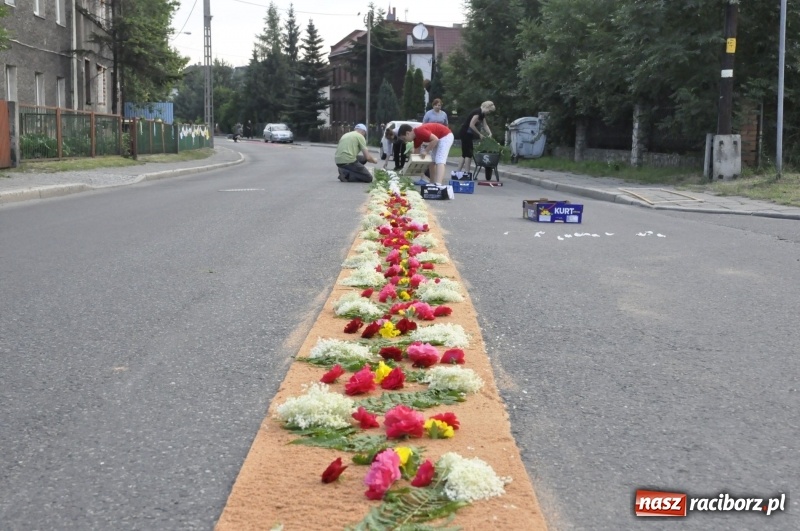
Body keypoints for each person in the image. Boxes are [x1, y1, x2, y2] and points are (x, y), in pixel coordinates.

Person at [397, 122, 454, 187]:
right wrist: (409, 167)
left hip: (445, 136)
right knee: (432, 161)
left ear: (407, 133)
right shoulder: (416, 138)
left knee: (440, 160)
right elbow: (416, 154)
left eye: (404, 138)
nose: (405, 141)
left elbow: (435, 139)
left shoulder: (419, 131)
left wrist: (426, 151)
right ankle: (432, 182)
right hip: (439, 138)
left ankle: (438, 184)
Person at [457, 101, 495, 174]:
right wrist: (479, 134)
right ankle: (467, 172)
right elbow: (471, 125)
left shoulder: (482, 114)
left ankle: (458, 171)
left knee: (465, 153)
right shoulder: (477, 113)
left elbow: (485, 125)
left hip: (468, 133)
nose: (489, 112)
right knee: (468, 153)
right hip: (465, 132)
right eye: (489, 111)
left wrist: (490, 133)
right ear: (486, 107)